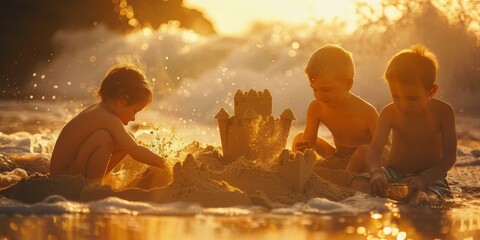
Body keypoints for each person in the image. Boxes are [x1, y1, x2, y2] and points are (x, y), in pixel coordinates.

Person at [351, 45, 457, 206]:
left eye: (412, 98)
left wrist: (425, 179)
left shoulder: (444, 112)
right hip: (395, 171)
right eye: (396, 96)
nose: (403, 105)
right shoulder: (389, 113)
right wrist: (377, 172)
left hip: (429, 175)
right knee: (358, 184)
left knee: (429, 198)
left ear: (431, 91)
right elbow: (374, 150)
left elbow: (449, 156)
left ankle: (420, 200)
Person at [50, 64, 168, 184]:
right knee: (103, 138)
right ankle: (93, 185)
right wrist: (166, 164)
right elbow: (135, 150)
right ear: (122, 101)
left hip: (66, 173)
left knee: (125, 140)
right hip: (64, 178)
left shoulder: (99, 109)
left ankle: (95, 180)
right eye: (134, 111)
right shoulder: (107, 118)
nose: (133, 118)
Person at [292, 44, 379, 173]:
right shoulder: (316, 107)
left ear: (347, 84)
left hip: (364, 161)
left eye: (326, 89)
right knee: (299, 138)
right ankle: (303, 169)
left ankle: (347, 176)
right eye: (314, 89)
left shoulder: (367, 112)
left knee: (365, 150)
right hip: (338, 157)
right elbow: (309, 143)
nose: (320, 95)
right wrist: (303, 148)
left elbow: (386, 149)